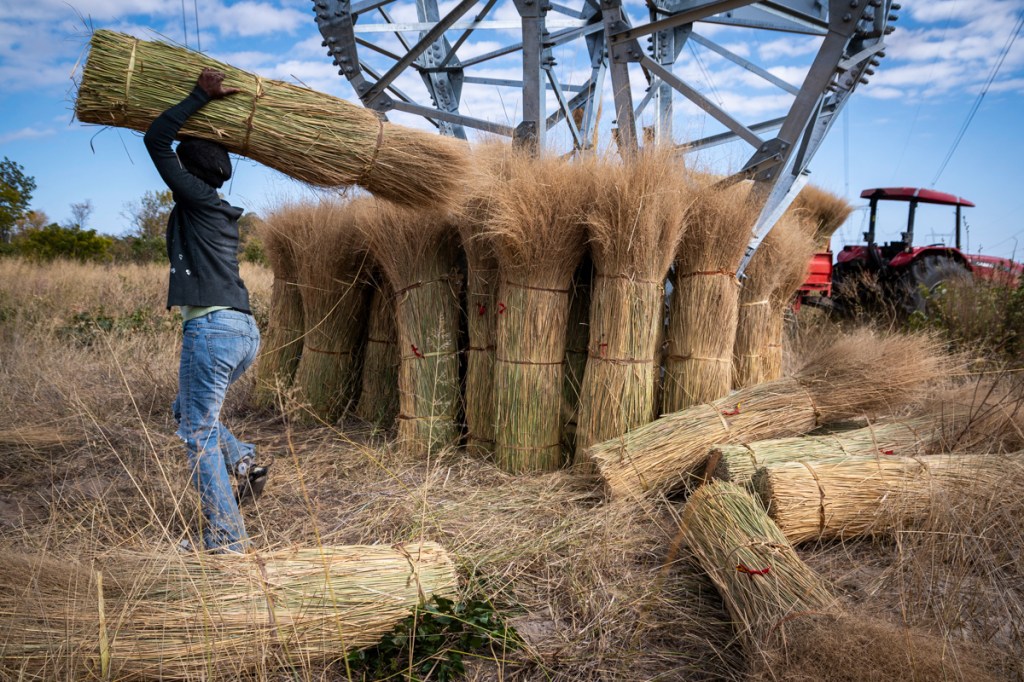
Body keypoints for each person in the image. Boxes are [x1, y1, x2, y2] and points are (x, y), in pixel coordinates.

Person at [145, 68, 268, 553]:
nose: (171, 166)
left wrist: (199, 96)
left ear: (191, 172)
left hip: (214, 330)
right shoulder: (216, 208)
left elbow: (157, 140)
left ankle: (225, 537)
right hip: (240, 332)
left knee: (195, 431)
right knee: (188, 410)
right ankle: (242, 462)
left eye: (180, 163)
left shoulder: (195, 199)